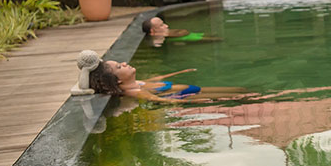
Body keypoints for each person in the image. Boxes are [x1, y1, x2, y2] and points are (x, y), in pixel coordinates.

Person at [87, 60, 248, 102]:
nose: (124, 63)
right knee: (236, 96)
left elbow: (156, 80)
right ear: (118, 82)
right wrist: (183, 102)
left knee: (239, 90)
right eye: (119, 67)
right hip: (186, 96)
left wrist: (181, 71)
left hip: (191, 89)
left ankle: (247, 93)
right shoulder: (135, 92)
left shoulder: (138, 83)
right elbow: (158, 100)